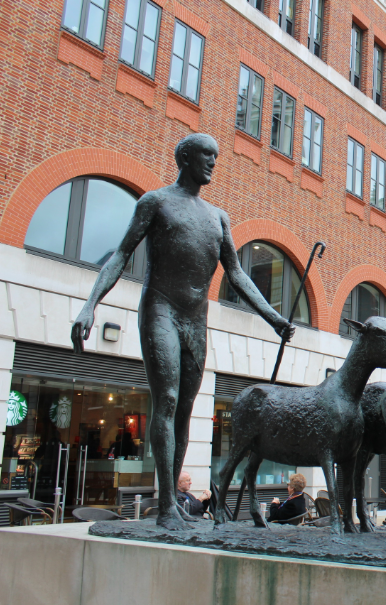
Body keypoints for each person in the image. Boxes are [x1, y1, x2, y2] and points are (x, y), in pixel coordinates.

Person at [71, 134, 295, 530]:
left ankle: (172, 501)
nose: (212, 162)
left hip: (195, 319)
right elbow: (121, 254)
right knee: (168, 399)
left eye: (216, 156)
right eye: (206, 155)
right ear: (186, 157)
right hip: (160, 309)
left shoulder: (218, 217)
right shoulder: (155, 202)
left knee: (186, 410)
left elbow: (237, 274)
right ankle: (165, 507)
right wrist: (90, 304)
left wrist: (272, 317)